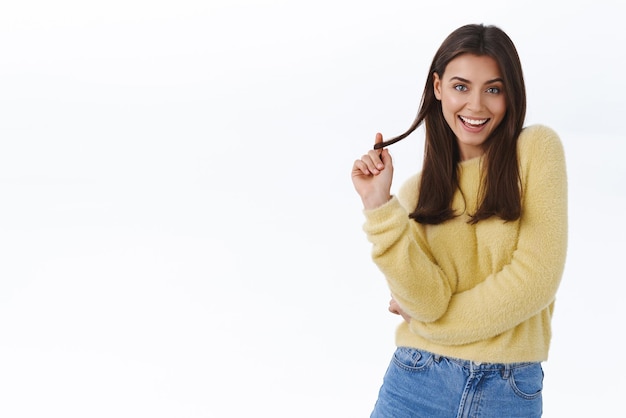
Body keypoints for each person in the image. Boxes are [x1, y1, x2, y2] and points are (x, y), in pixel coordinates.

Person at [351, 23, 567, 417]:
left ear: (511, 93)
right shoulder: (417, 194)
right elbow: (426, 301)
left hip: (508, 388)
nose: (476, 106)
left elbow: (536, 280)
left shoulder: (537, 150)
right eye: (461, 87)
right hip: (416, 380)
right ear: (438, 88)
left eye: (494, 89)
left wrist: (432, 327)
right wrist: (379, 205)